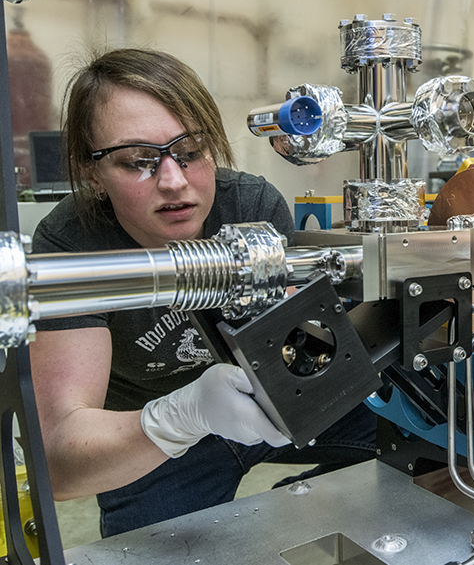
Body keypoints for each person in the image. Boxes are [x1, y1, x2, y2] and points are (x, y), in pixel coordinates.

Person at [29, 48, 376, 537]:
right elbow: (59, 463)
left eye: (189, 153)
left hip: (271, 400)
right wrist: (178, 418)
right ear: (92, 173)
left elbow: (308, 347)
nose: (174, 182)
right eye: (137, 162)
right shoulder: (72, 245)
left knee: (407, 438)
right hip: (150, 438)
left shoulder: (249, 204)